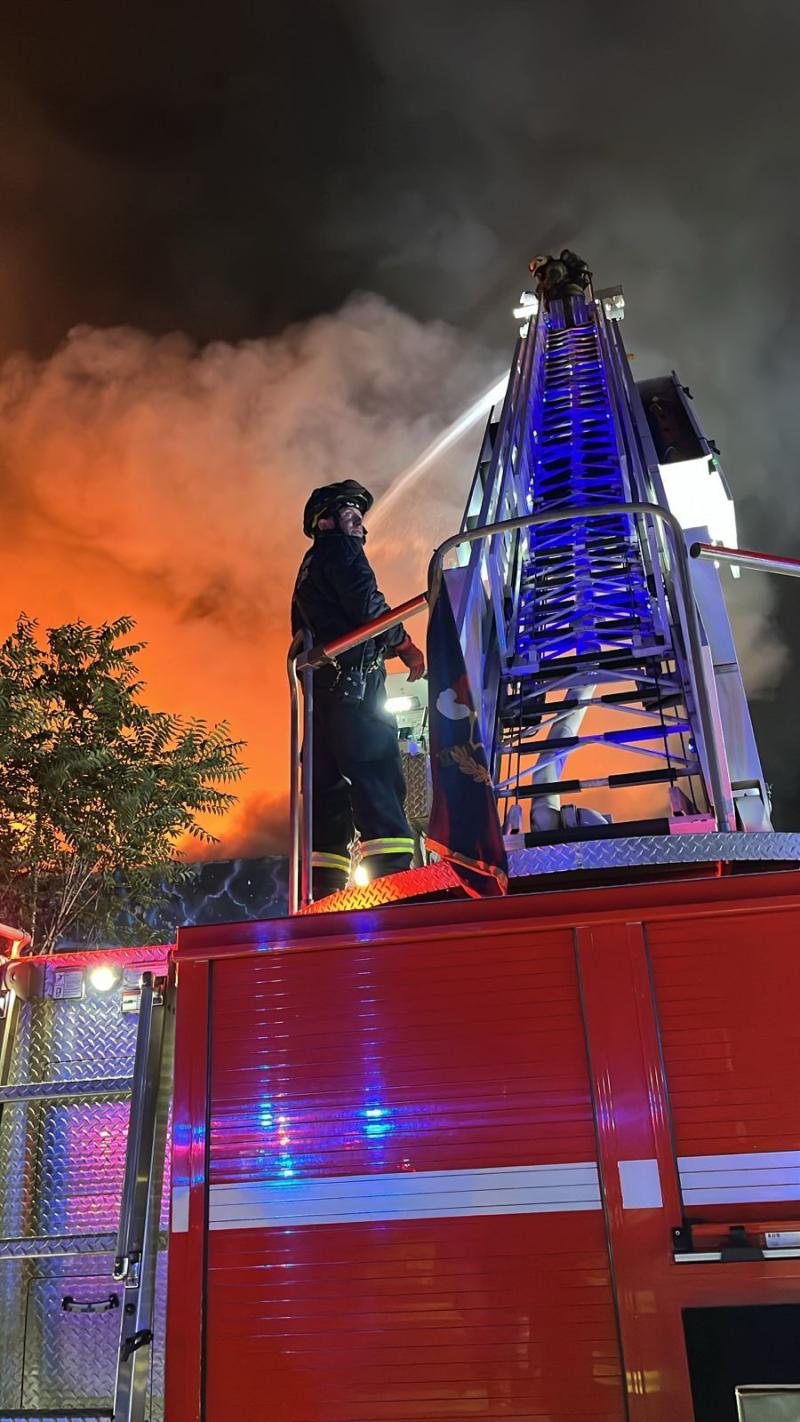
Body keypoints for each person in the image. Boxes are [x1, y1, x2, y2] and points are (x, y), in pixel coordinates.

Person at [292, 480, 426, 898]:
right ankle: (392, 893)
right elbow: (369, 608)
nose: (360, 526)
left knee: (327, 803)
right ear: (325, 520)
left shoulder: (309, 567)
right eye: (351, 515)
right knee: (379, 784)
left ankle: (325, 895)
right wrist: (405, 645)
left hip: (321, 702)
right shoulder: (340, 550)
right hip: (356, 697)